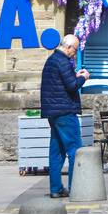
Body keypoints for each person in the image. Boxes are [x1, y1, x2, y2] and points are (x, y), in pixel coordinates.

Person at [40, 33, 90, 198]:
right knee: (75, 149)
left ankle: (56, 189)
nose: (74, 54)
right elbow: (72, 86)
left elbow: (60, 83)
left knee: (56, 152)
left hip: (52, 113)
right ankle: (74, 188)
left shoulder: (52, 60)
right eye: (74, 50)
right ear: (68, 47)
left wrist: (73, 76)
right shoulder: (63, 61)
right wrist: (83, 78)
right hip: (65, 112)